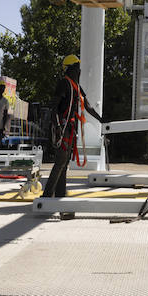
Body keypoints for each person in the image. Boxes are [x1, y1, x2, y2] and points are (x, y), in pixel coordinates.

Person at [43, 54, 103, 209]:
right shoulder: (64, 83)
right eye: (77, 67)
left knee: (64, 163)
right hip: (62, 128)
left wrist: (101, 119)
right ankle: (47, 196)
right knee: (60, 162)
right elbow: (54, 107)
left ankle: (60, 195)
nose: (80, 70)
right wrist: (57, 126)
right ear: (72, 68)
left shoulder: (76, 86)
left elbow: (88, 106)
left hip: (70, 129)